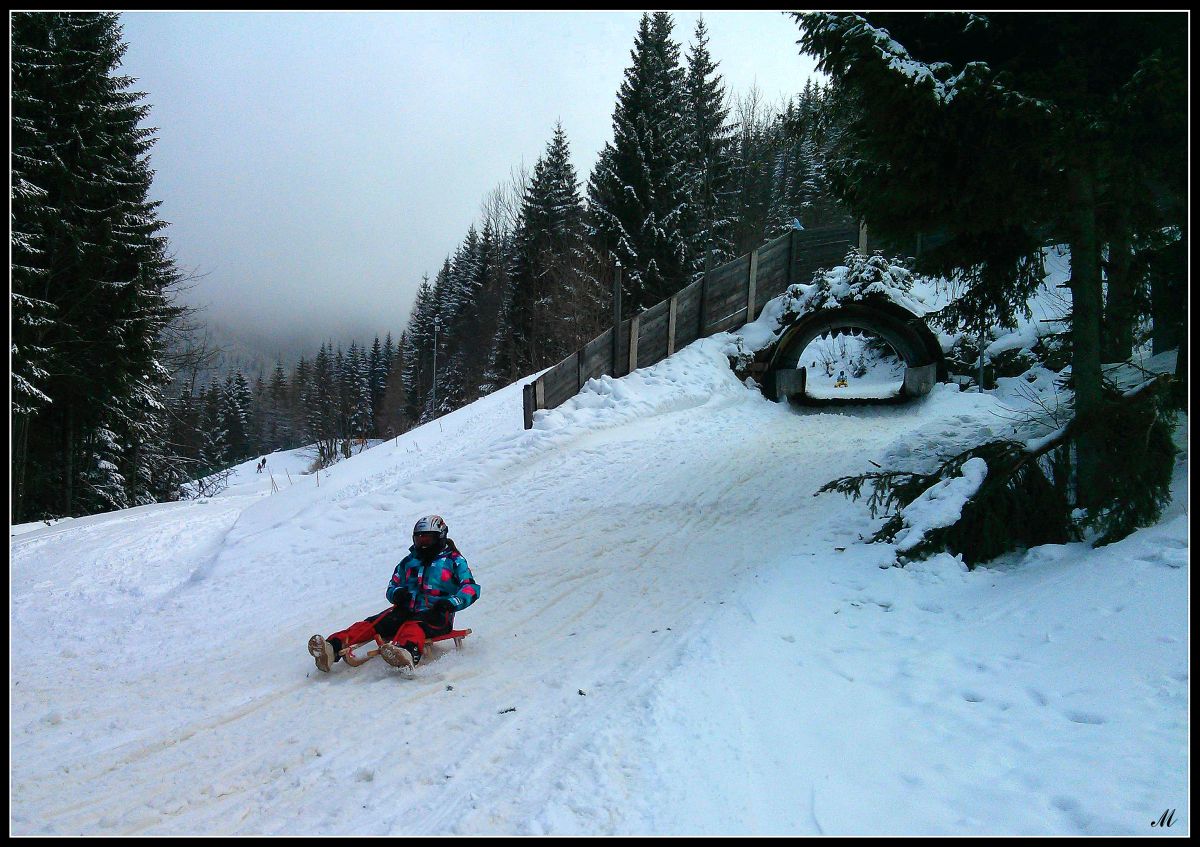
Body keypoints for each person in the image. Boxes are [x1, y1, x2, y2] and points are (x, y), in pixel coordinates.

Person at [308, 515, 480, 672]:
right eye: (419, 539)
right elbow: (393, 585)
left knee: (413, 627)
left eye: (428, 539)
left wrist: (451, 602)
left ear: (440, 537)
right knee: (373, 623)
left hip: (437, 614)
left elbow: (470, 588)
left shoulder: (454, 561)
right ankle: (332, 647)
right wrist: (397, 594)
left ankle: (406, 653)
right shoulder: (409, 561)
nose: (424, 544)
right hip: (406, 610)